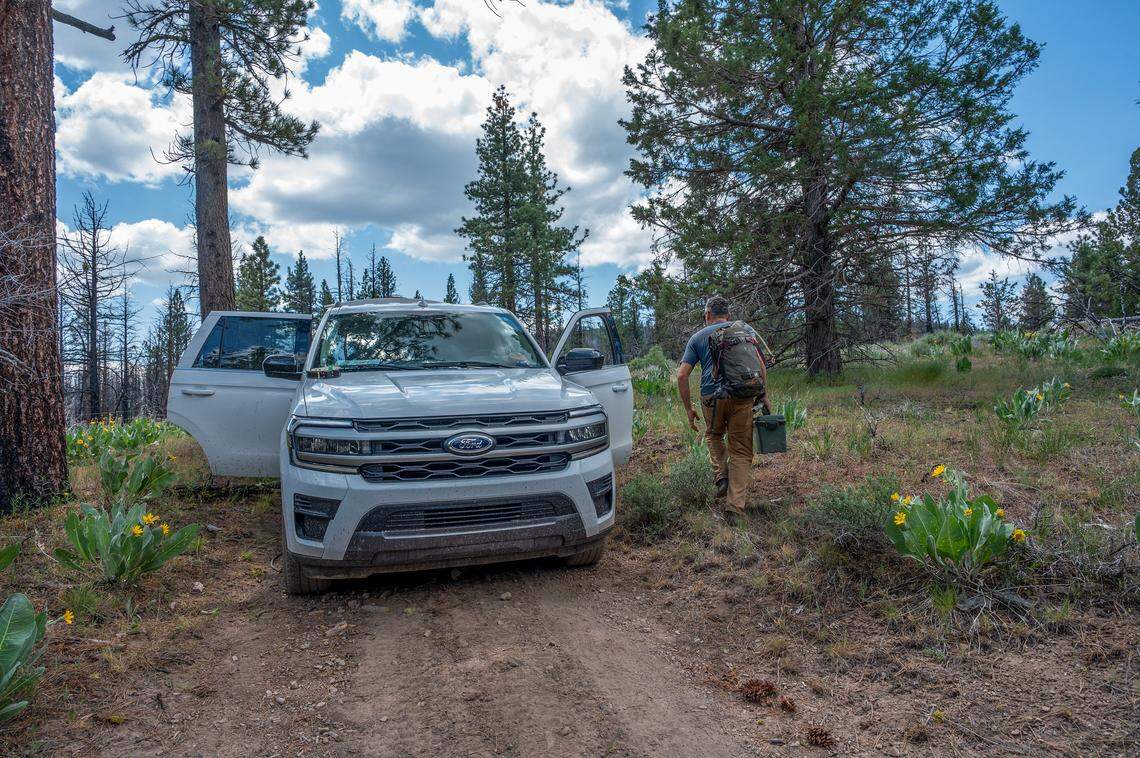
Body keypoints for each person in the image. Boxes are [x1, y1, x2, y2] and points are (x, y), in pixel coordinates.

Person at [677, 296, 767, 514]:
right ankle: (735, 507)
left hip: (711, 397)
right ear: (728, 315)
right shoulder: (745, 330)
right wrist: (764, 395)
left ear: (707, 315)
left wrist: (689, 409)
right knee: (741, 449)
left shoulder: (697, 337)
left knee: (714, 434)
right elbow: (761, 366)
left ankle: (722, 477)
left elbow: (681, 375)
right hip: (742, 394)